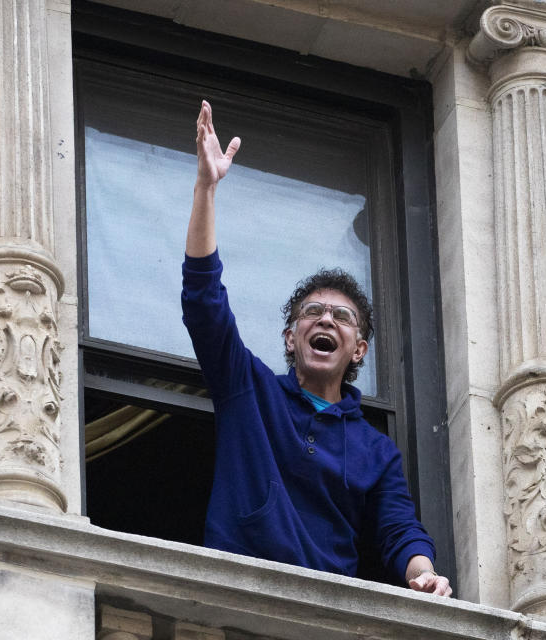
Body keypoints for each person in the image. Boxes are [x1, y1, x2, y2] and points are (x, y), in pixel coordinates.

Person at [181, 100, 451, 597]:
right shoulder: (250, 391)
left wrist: (423, 574)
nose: (325, 318)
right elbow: (204, 304)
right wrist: (206, 188)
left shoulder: (376, 451)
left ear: (359, 351)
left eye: (341, 317)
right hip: (232, 597)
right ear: (290, 338)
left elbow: (399, 530)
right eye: (311, 312)